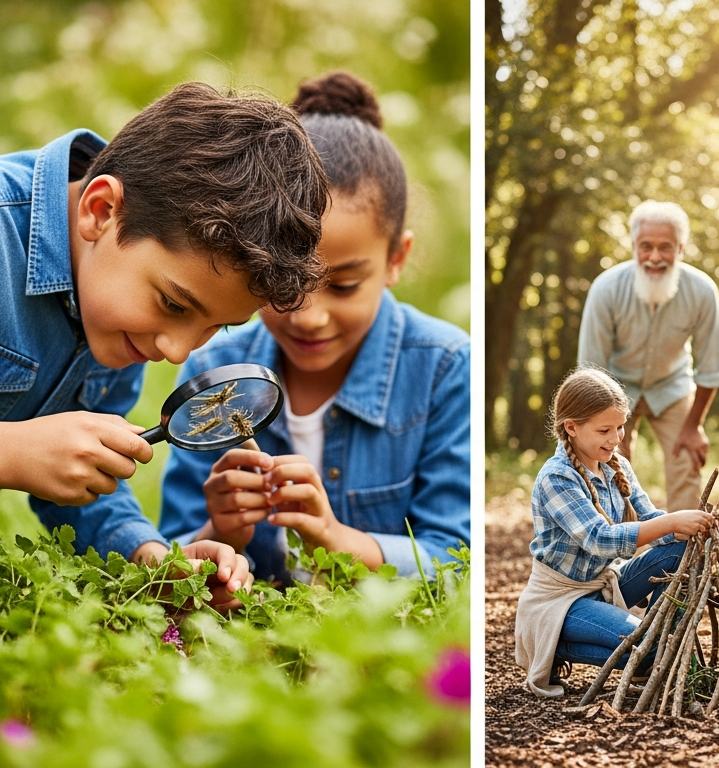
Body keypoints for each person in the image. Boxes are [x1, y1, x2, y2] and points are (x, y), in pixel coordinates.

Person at [0, 81, 329, 602]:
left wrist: (155, 564)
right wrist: (12, 451)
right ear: (101, 210)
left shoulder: (116, 315)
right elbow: (28, 455)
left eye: (216, 327)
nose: (177, 351)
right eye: (174, 305)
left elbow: (84, 484)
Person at [158, 73, 470, 584]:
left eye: (343, 285)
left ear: (396, 259)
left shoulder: (446, 368)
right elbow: (172, 551)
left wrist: (337, 541)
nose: (308, 316)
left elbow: (456, 560)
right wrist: (222, 532)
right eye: (283, 284)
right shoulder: (215, 367)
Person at [514, 367, 719, 697]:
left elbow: (653, 522)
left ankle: (656, 646)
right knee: (649, 649)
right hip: (559, 601)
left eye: (620, 427)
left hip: (602, 584)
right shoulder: (557, 478)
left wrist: (695, 527)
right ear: (571, 427)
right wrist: (672, 522)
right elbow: (599, 539)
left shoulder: (617, 465)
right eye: (604, 430)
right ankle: (556, 645)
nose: (616, 439)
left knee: (682, 552)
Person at [578, 200, 719, 512]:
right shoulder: (606, 289)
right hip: (613, 389)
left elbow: (710, 368)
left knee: (687, 457)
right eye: (646, 247)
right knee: (607, 462)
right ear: (634, 246)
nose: (655, 257)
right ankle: (621, 538)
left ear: (680, 248)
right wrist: (601, 429)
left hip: (672, 386)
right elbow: (591, 369)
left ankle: (685, 539)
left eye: (665, 247)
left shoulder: (702, 291)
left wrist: (694, 426)